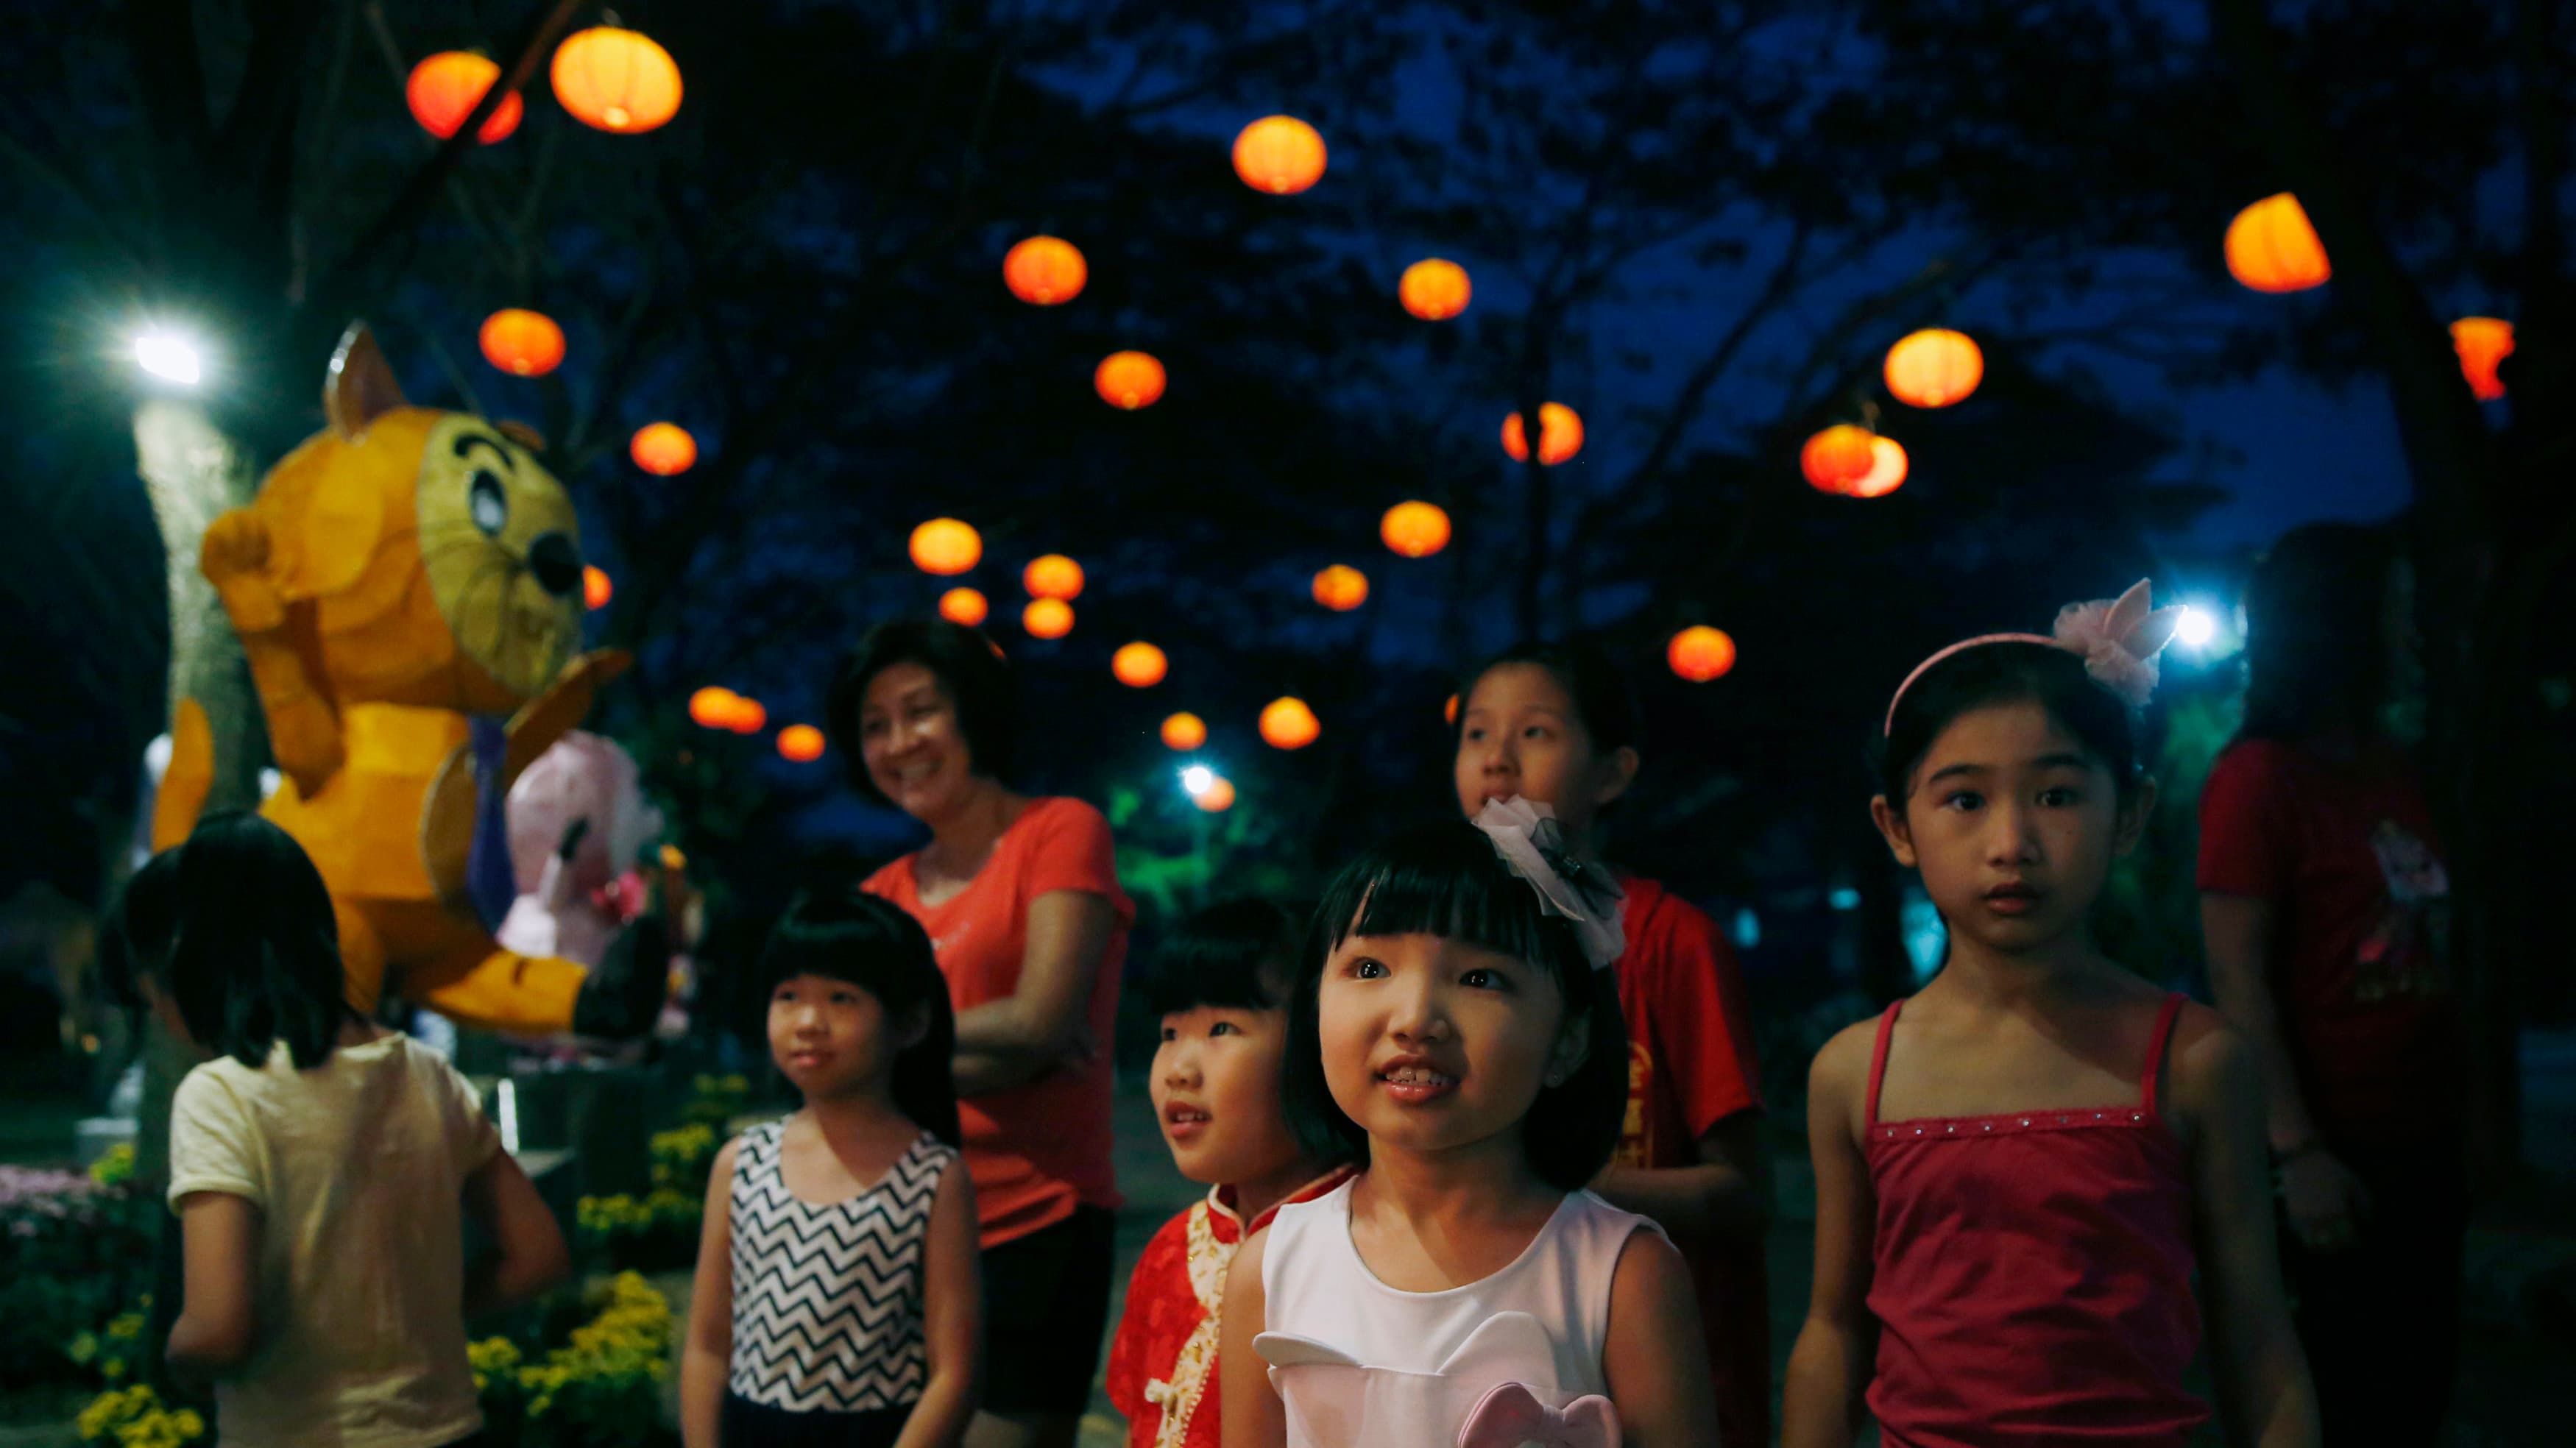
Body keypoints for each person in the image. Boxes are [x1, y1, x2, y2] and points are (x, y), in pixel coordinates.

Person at [1782, 583, 2318, 1448]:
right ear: (1896, 825)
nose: (2010, 844)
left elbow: (2255, 1335)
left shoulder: (2194, 1058)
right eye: (1963, 800)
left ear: (2129, 813)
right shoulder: (1854, 1072)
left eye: (2057, 797)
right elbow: (1833, 1328)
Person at [1220, 814, 1719, 1448]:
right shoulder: (1270, 1267)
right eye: (1371, 969)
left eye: (1479, 978)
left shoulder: (1622, 1276)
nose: (1416, 1018)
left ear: (1568, 1040)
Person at [107, 812, 568, 1448]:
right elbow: (537, 1255)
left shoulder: (223, 1096)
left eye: (152, 992)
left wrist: (173, 1354)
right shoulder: (426, 1073)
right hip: (450, 1432)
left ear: (191, 960)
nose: (159, 1012)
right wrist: (409, 1316)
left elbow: (217, 1330)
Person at [1452, 640, 1772, 1447]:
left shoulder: (1672, 943)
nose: (1496, 758)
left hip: (1654, 1378)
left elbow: (1741, 1195)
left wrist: (1550, 1187)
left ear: (1612, 774)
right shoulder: (1446, 950)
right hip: (1493, 1379)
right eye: (1475, 734)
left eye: (1534, 734)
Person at [829, 618, 1133, 1448]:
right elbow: (840, 1072)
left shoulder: (1059, 832)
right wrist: (995, 1047)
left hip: (1038, 1221)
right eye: (874, 726)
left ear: (973, 715)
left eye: (921, 711)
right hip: (903, 1230)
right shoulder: (879, 897)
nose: (900, 743)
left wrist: (893, 1053)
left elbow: (1042, 1021)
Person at [2197, 524, 2466, 1444]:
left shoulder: (2389, 768)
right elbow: (2237, 979)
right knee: (2344, 1395)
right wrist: (2295, 1152)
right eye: (2390, 611)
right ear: (2338, 625)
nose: (2409, 630)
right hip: (2331, 1146)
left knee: (2416, 1386)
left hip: (2421, 1131)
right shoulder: (2257, 779)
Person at [681, 887, 980, 1448]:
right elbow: (706, 1345)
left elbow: (955, 1373)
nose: (809, 1021)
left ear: (910, 1023)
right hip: (754, 1431)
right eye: (789, 995)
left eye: (842, 998)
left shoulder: (932, 1177)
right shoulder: (741, 1163)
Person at [1105, 899, 1358, 1448]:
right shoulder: (1172, 1249)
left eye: (1222, 1027)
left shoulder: (1369, 1255)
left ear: (1321, 1045)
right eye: (1170, 1033)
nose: (1179, 1070)